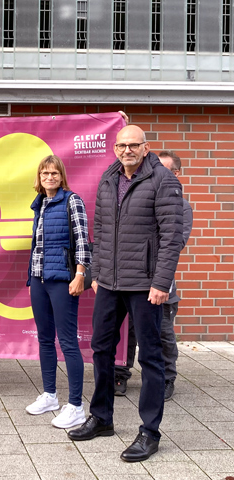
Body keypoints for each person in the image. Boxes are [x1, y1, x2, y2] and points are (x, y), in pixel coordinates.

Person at [68, 125, 183, 463]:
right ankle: (102, 417)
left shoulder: (163, 181)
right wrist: (97, 274)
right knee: (102, 348)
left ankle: (149, 432)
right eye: (122, 145)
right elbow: (101, 231)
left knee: (150, 357)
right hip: (109, 284)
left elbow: (171, 237)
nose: (127, 150)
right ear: (115, 148)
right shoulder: (108, 178)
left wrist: (161, 283)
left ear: (145, 148)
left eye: (134, 145)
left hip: (145, 285)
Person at [113, 151, 193, 400]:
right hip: (132, 279)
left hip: (160, 282)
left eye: (165, 170)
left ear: (176, 174)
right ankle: (120, 374)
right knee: (129, 331)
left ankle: (167, 378)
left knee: (164, 333)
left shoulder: (182, 207)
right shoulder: (140, 197)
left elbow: (174, 243)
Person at [25, 155, 90, 429]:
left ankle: (76, 406)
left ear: (61, 176)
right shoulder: (39, 204)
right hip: (38, 279)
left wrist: (80, 274)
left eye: (54, 173)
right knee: (44, 339)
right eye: (44, 173)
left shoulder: (71, 201)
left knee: (68, 342)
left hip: (63, 280)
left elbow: (83, 239)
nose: (49, 177)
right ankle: (50, 396)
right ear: (39, 178)